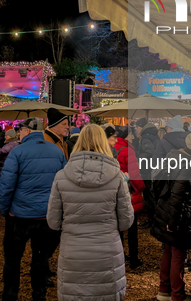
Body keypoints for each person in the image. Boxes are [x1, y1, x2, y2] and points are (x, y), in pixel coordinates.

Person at [47, 124, 134, 301]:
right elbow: (126, 221)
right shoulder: (117, 176)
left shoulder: (62, 176)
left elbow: (53, 222)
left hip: (73, 254)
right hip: (107, 253)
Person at [0, 117, 66, 301]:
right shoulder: (57, 151)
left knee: (13, 260)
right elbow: (63, 184)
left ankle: (10, 295)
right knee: (40, 259)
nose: (19, 133)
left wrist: (5, 210)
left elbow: (6, 186)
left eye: (20, 130)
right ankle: (39, 295)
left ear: (27, 131)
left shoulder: (17, 152)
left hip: (19, 216)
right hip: (46, 217)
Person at [152, 132, 191, 301]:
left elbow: (159, 184)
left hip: (166, 208)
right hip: (178, 214)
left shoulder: (173, 156)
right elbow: (179, 194)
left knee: (168, 251)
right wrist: (173, 221)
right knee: (178, 255)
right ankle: (177, 295)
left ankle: (164, 289)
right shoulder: (190, 164)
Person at [115, 127, 145, 269]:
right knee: (132, 229)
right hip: (130, 193)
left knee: (118, 228)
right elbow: (134, 174)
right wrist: (142, 187)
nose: (134, 136)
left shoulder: (113, 148)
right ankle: (133, 258)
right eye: (132, 134)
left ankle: (120, 257)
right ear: (127, 136)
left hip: (117, 192)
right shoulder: (128, 150)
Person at [137, 122, 160, 229]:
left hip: (147, 169)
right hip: (154, 168)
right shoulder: (155, 135)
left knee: (150, 196)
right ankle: (156, 220)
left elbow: (149, 152)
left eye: (137, 126)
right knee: (153, 195)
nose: (136, 129)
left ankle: (152, 221)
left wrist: (138, 156)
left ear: (142, 127)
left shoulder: (146, 137)